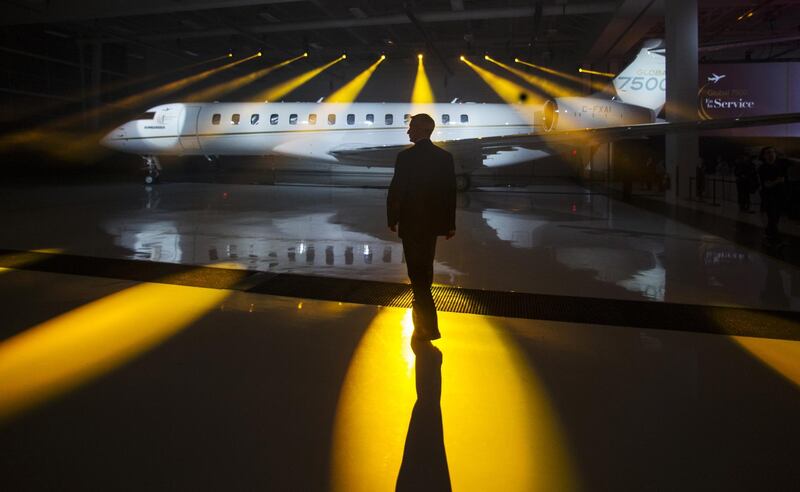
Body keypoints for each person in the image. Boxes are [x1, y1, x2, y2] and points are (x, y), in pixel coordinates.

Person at [387, 113, 456, 340]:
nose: (408, 132)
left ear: (421, 130)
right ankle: (420, 318)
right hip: (432, 225)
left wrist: (392, 218)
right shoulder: (444, 158)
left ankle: (429, 326)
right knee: (425, 269)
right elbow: (450, 194)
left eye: (411, 128)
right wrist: (450, 225)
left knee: (416, 274)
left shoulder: (405, 158)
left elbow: (397, 191)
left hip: (411, 222)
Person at [757, 146, 789, 243]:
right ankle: (775, 239)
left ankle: (769, 235)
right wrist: (778, 180)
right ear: (764, 156)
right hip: (769, 197)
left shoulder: (778, 165)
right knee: (772, 218)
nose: (771, 154)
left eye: (772, 152)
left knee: (775, 218)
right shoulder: (762, 168)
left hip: (779, 196)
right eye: (768, 153)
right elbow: (767, 184)